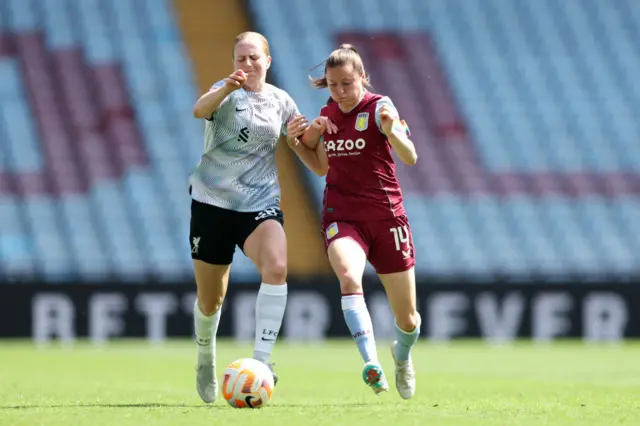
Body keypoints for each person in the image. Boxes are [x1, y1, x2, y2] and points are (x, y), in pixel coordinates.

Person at [286, 44, 421, 399]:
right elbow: (320, 167)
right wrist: (297, 143)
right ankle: (371, 362)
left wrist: (392, 132)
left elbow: (410, 157)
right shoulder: (328, 113)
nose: (341, 92)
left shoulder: (381, 108)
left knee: (408, 320)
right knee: (348, 275)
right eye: (333, 85)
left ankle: (402, 357)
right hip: (343, 215)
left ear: (363, 78)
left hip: (387, 217)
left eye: (347, 83)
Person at [189, 31, 300, 404]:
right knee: (211, 300)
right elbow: (200, 110)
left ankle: (262, 363)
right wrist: (225, 88)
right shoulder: (225, 91)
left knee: (277, 268)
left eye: (254, 58)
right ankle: (205, 357)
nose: (247, 65)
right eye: (241, 58)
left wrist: (310, 133)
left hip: (260, 203)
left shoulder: (282, 100)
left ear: (267, 61)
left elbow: (299, 138)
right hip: (212, 204)